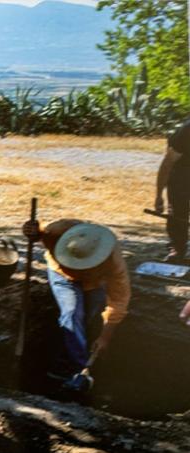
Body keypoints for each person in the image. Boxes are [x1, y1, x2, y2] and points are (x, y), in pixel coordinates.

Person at [22, 219, 130, 384]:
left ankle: (69, 357)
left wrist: (105, 338)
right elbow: (38, 229)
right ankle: (78, 368)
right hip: (62, 274)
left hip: (96, 282)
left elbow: (118, 302)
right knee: (72, 314)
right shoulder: (57, 231)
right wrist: (30, 230)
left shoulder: (113, 263)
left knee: (87, 318)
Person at [152, 116, 190, 264]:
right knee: (178, 211)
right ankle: (177, 248)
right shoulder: (187, 132)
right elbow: (167, 164)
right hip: (182, 169)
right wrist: (158, 195)